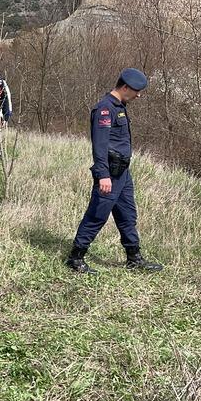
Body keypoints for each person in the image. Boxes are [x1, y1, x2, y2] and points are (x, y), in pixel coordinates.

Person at [65, 68, 163, 274]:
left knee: (128, 215)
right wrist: (103, 175)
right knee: (97, 215)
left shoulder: (120, 106)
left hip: (123, 174)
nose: (139, 95)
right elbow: (99, 146)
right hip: (110, 174)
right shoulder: (104, 109)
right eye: (136, 90)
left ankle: (134, 258)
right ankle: (76, 258)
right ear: (125, 87)